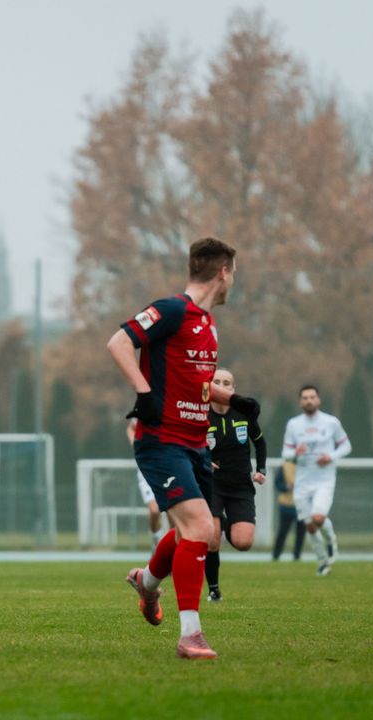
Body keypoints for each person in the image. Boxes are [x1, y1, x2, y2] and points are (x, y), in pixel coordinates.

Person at [106, 237, 259, 660]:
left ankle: (147, 584)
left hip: (196, 442)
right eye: (234, 275)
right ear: (223, 272)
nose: (233, 284)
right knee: (198, 529)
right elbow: (118, 343)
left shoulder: (209, 324)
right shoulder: (172, 309)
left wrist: (232, 402)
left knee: (197, 533)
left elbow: (196, 384)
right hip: (162, 441)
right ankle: (190, 635)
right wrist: (143, 393)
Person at [204, 368, 267, 601]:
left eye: (226, 383)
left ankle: (223, 520)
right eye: (216, 382)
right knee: (211, 538)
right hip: (212, 485)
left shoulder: (243, 413)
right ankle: (213, 589)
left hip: (240, 485)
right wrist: (204, 460)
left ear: (233, 389)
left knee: (243, 542)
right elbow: (187, 446)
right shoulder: (201, 414)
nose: (221, 386)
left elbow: (260, 443)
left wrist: (261, 470)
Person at [282, 385, 351, 576]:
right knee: (309, 525)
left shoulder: (331, 422)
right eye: (305, 398)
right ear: (300, 401)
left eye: (312, 397)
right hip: (302, 480)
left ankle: (331, 543)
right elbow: (285, 453)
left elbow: (346, 446)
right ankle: (323, 561)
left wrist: (330, 456)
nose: (309, 400)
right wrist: (295, 453)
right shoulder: (293, 425)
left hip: (324, 479)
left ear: (318, 400)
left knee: (318, 517)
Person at [127, 419, 167, 548]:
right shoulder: (146, 404)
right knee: (155, 511)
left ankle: (173, 550)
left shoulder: (172, 406)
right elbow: (131, 427)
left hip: (169, 466)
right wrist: (135, 444)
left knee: (174, 515)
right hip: (147, 468)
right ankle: (156, 540)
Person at [271, 461, 305, 561]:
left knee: (301, 532)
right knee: (283, 531)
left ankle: (297, 556)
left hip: (302, 506)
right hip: (286, 505)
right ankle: (276, 555)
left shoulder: (307, 465)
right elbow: (277, 483)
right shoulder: (285, 466)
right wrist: (286, 487)